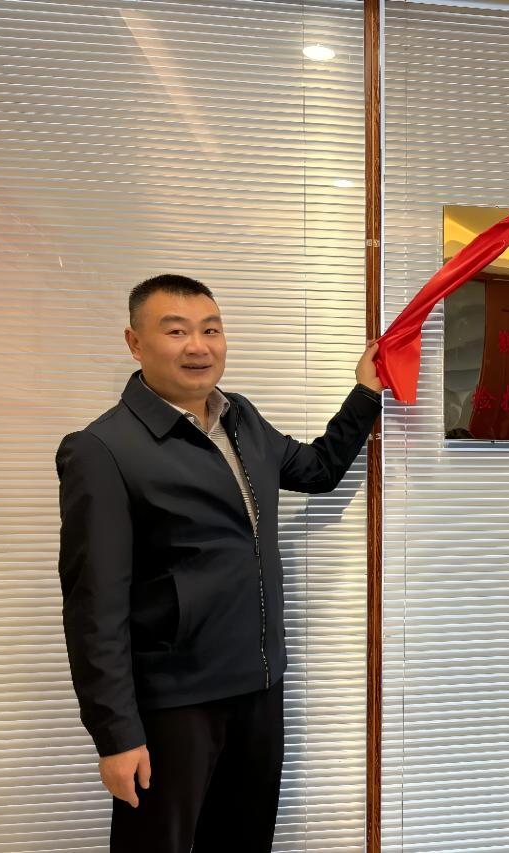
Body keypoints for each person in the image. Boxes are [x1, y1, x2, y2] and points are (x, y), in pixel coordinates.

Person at [56, 274, 383, 852]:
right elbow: (93, 608)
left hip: (259, 687)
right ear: (135, 343)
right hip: (174, 704)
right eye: (175, 331)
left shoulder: (241, 418)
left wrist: (365, 392)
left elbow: (317, 470)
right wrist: (116, 735)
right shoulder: (103, 449)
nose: (198, 346)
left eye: (210, 330)